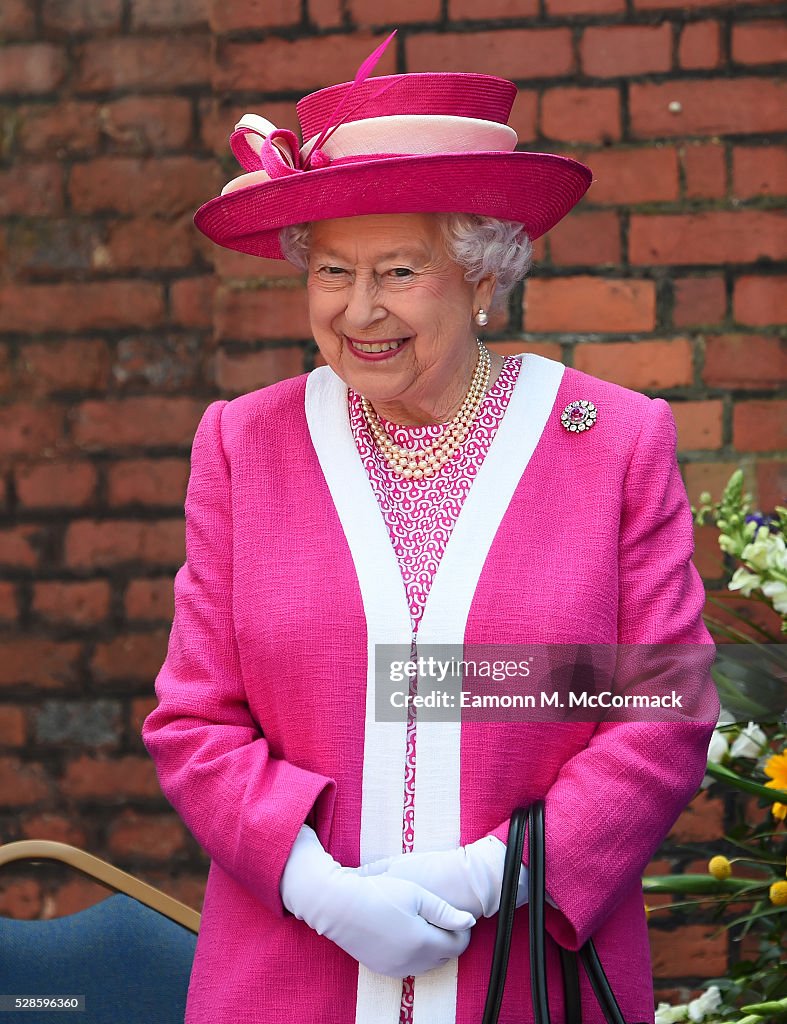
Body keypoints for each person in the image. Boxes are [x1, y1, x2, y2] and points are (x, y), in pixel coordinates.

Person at [142, 34, 719, 1024]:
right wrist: (316, 882)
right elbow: (196, 723)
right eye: (331, 271)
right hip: (289, 979)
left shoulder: (612, 445)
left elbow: (660, 708)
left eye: (398, 271)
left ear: (481, 275)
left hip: (529, 980)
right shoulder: (245, 443)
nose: (358, 309)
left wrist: (490, 874)